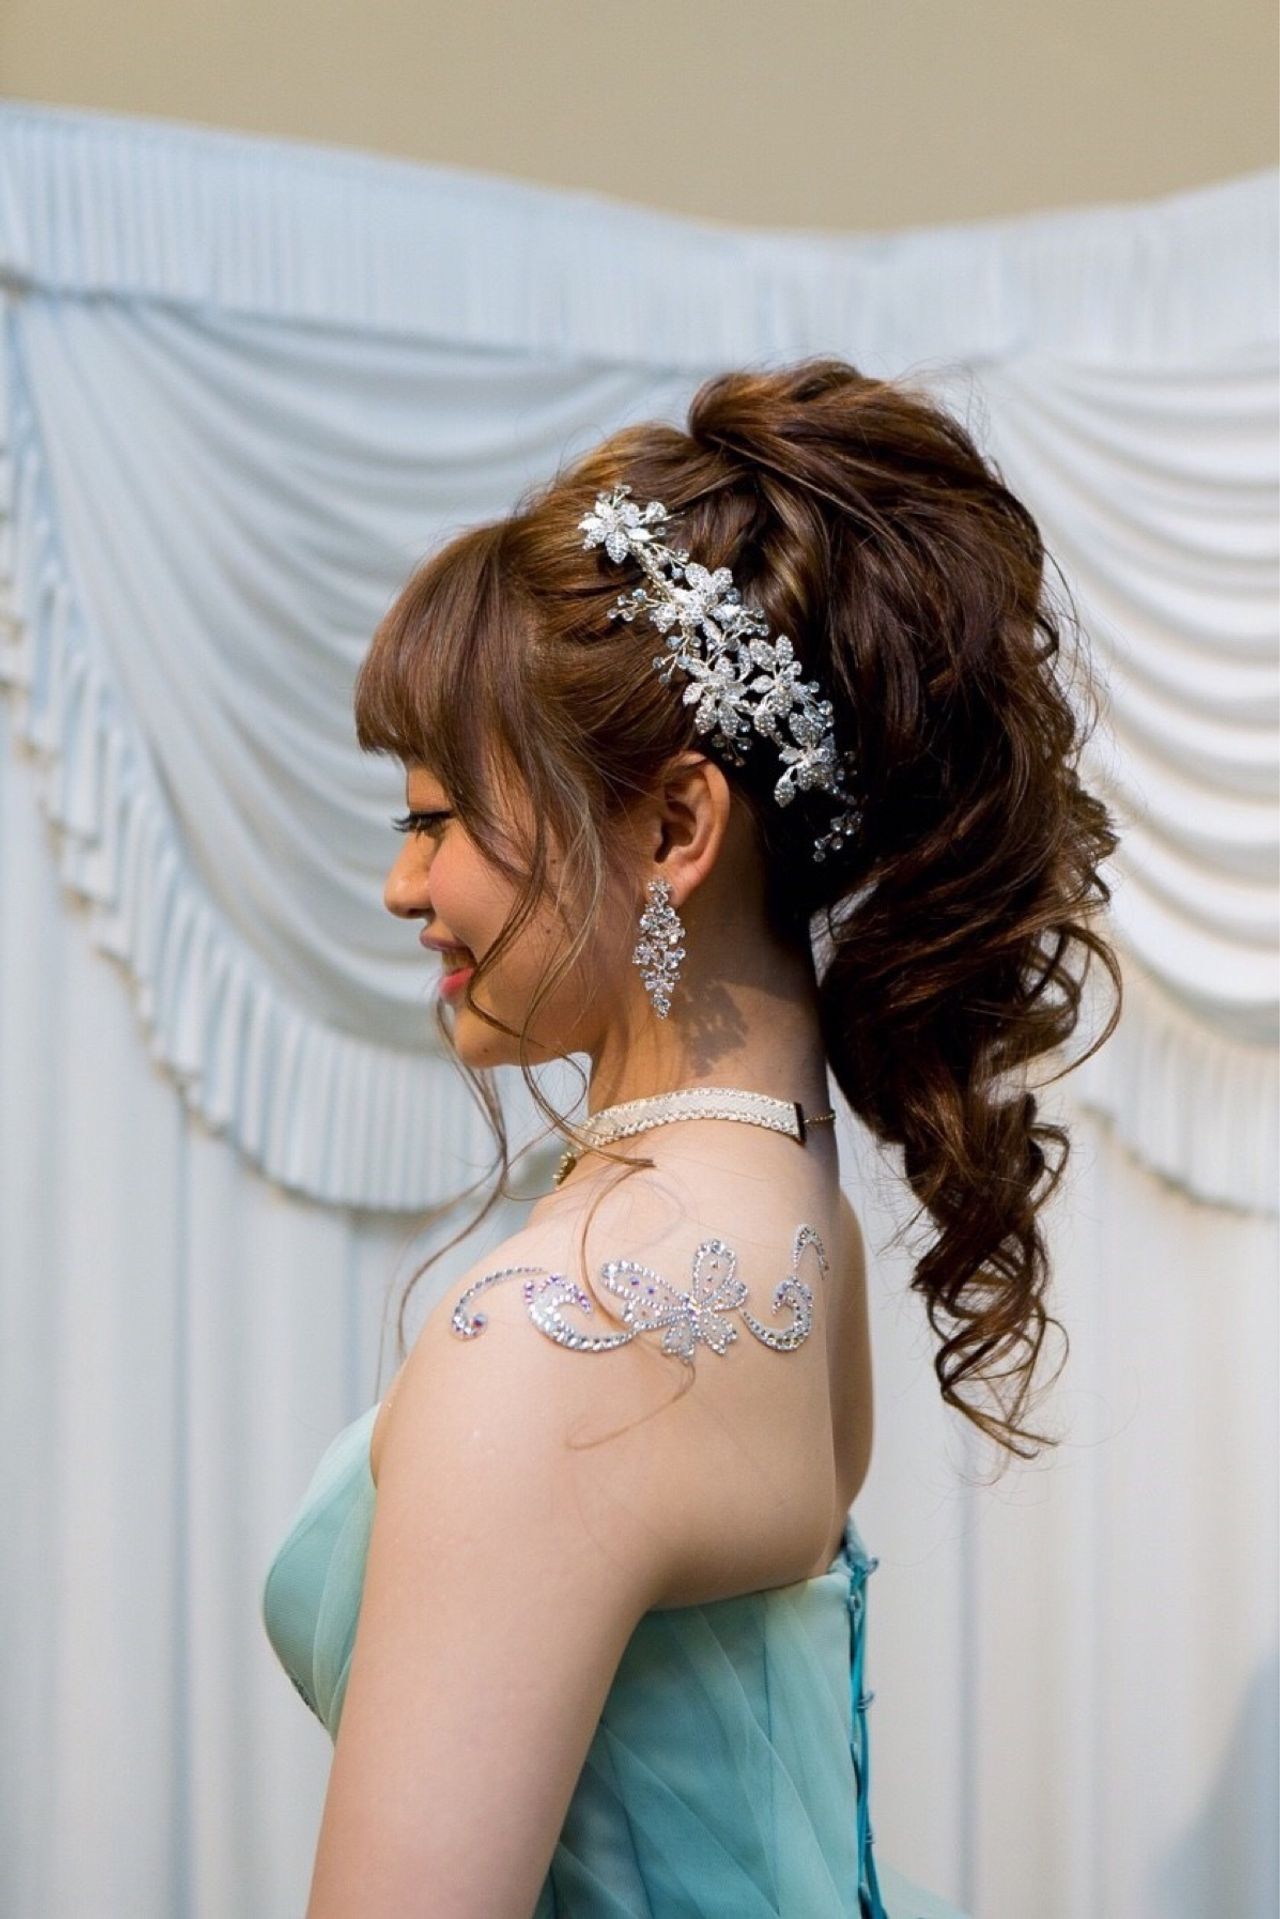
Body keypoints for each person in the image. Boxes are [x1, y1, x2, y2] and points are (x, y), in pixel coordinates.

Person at [262, 355, 1122, 1917]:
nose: (404, 886)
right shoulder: (798, 1221)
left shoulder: (562, 1334)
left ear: (674, 827)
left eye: (437, 819)